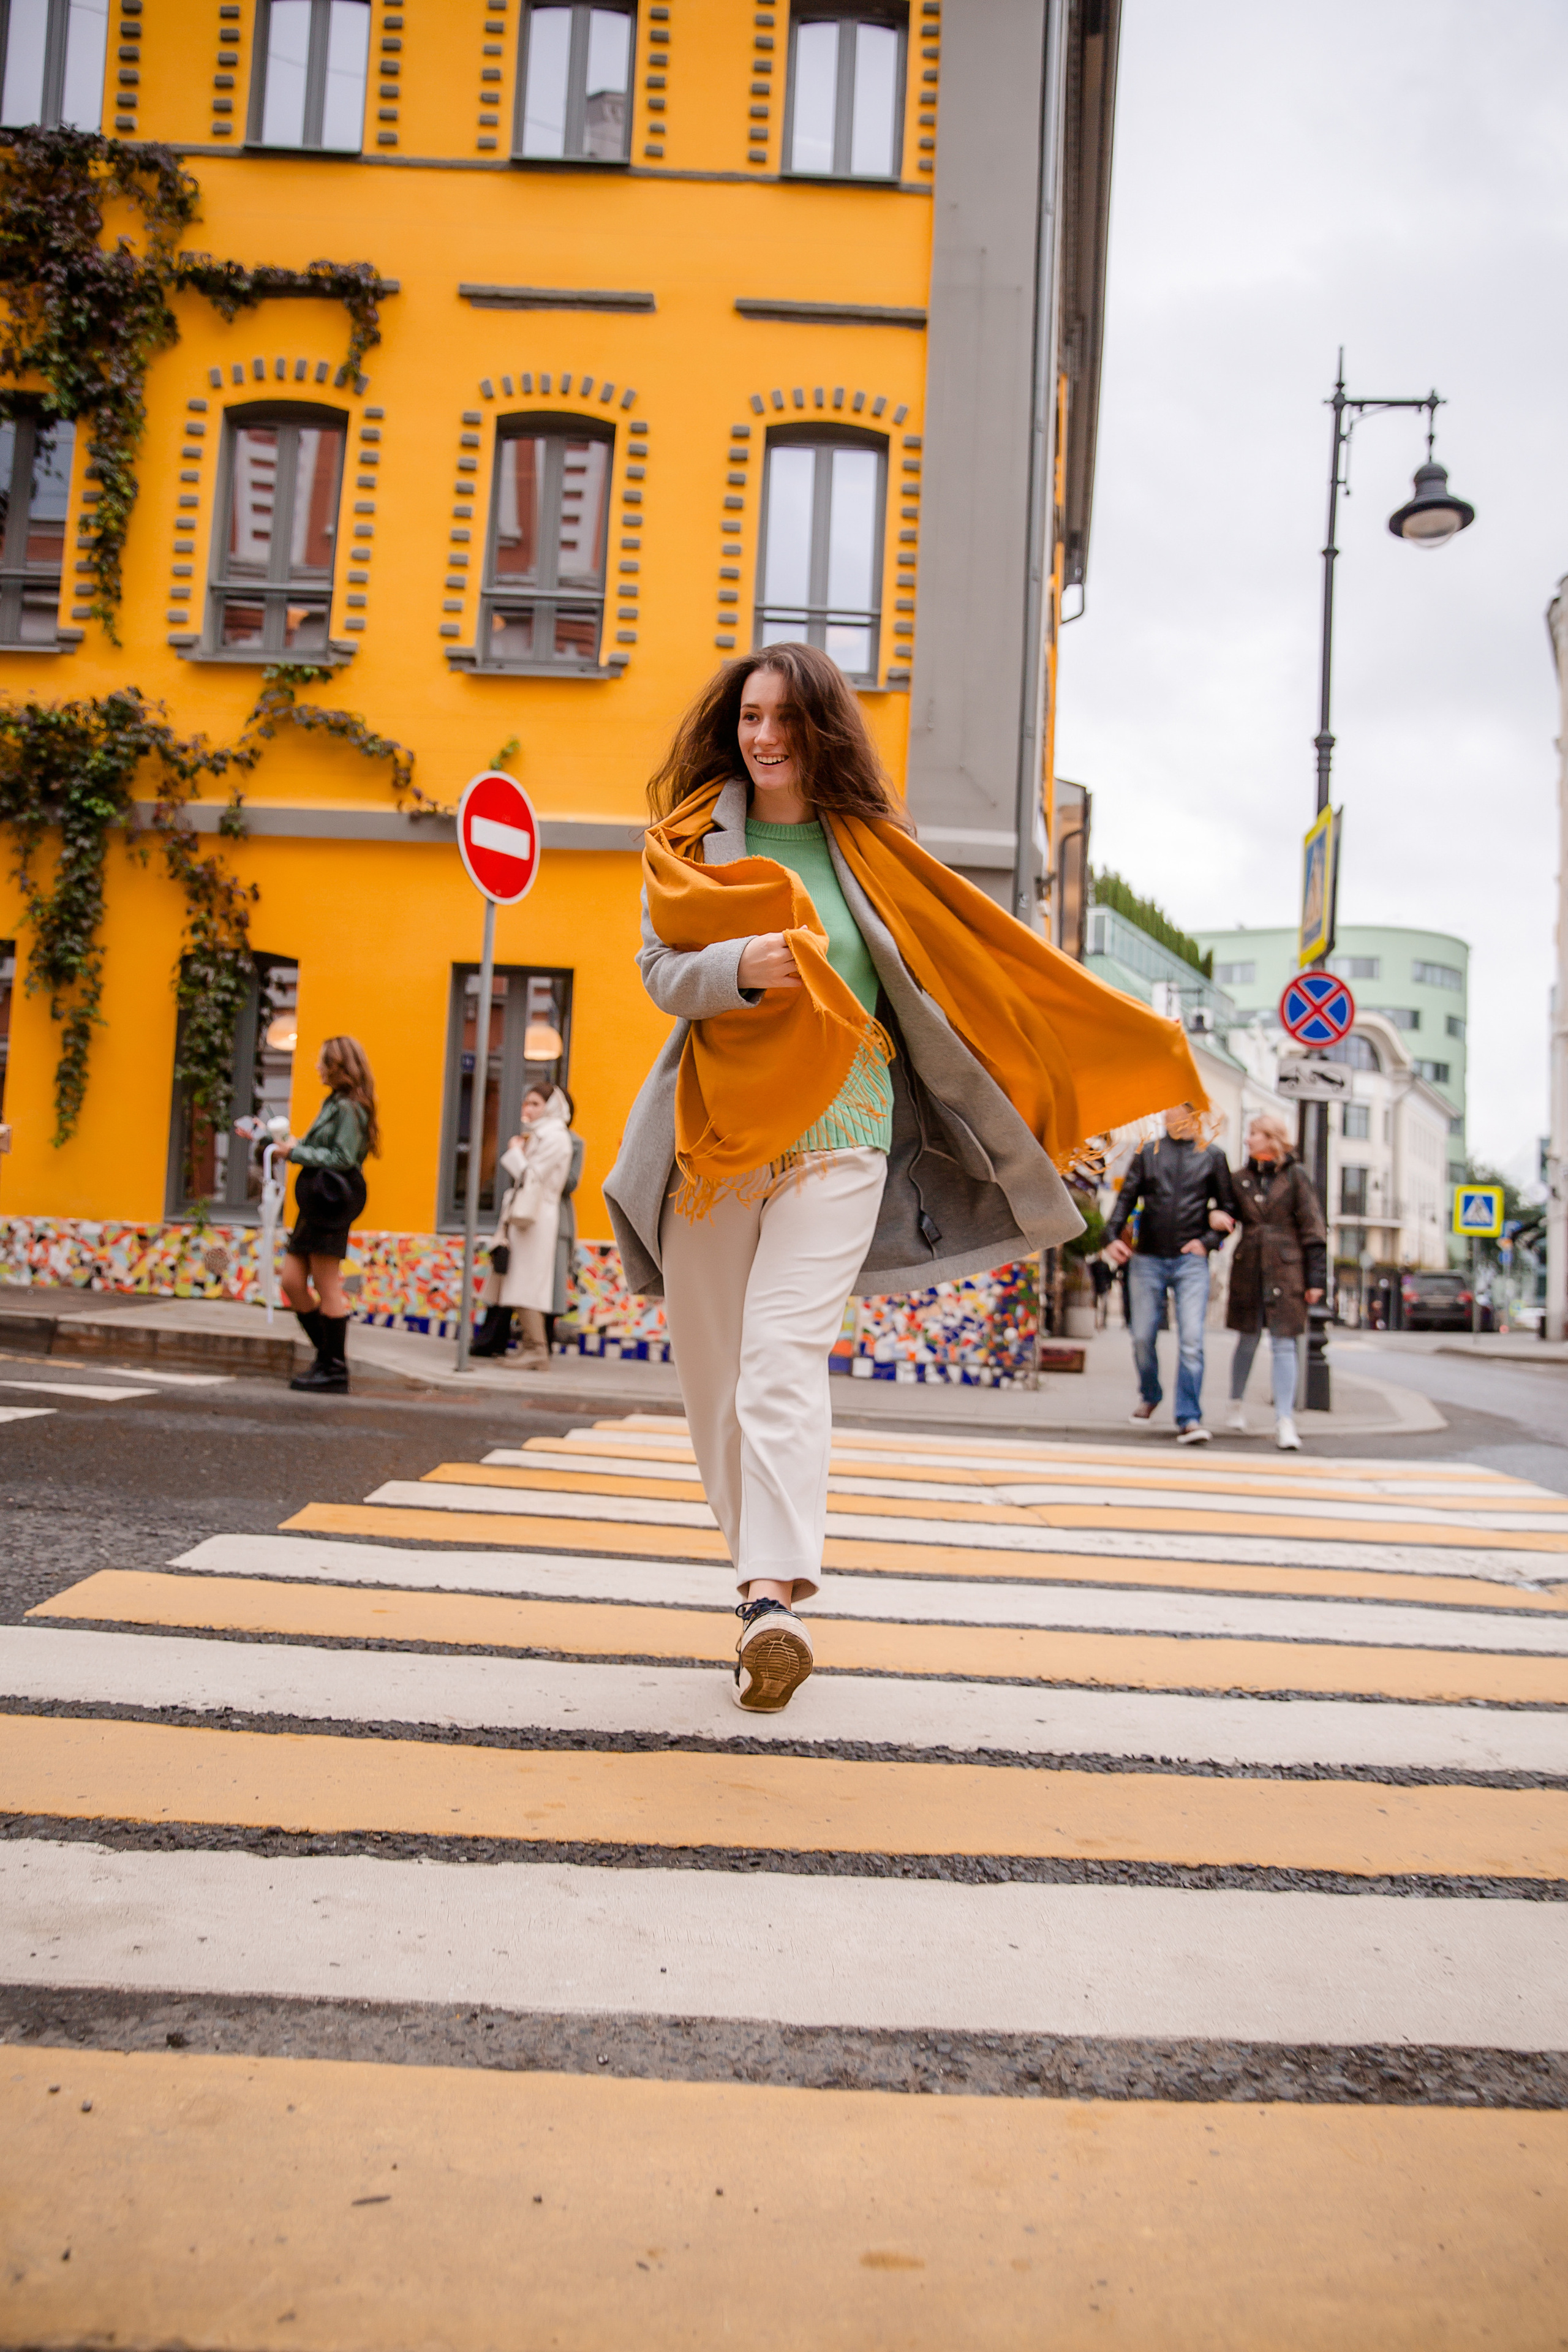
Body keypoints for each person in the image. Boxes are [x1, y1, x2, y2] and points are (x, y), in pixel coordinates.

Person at [605, 644, 1209, 1716]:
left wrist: (1080, 1064)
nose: (764, 736)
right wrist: (738, 972)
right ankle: (757, 1570)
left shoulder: (874, 850)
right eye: (750, 716)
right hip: (717, 1142)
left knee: (780, 1354)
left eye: (786, 718)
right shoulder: (696, 837)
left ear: (822, 728)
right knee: (715, 1382)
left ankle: (767, 1603)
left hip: (844, 1129)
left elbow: (981, 969)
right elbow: (659, 973)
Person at [1103, 1107, 1238, 1443]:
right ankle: (1151, 1394)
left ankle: (1189, 1417)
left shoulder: (1213, 1157)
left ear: (1194, 1116)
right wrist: (1110, 1238)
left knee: (1192, 1340)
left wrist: (1206, 1242)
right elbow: (1126, 1199)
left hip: (1190, 1261)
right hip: (1147, 1257)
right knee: (1142, 1337)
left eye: (1175, 1112)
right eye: (1166, 1114)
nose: (1166, 1119)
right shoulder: (1148, 1153)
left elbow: (1229, 1211)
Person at [268, 1035, 378, 1395]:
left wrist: (296, 1154)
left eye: (322, 1062)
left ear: (338, 1067)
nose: (316, 1067)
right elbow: (328, 1150)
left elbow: (344, 1159)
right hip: (316, 1205)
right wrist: (301, 1147)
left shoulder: (349, 1108)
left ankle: (334, 1368)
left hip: (331, 1204)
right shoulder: (336, 1102)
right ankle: (326, 1358)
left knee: (327, 1285)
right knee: (291, 1282)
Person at [1224, 1109, 1327, 1450]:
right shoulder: (1239, 1178)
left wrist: (1316, 1280)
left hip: (1287, 1268)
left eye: (1253, 1134)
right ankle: (1235, 1404)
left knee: (1284, 1343)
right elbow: (1226, 1212)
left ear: (1271, 1139)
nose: (1247, 1139)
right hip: (1249, 1265)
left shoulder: (1296, 1177)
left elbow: (1313, 1228)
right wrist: (1215, 1215)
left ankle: (1285, 1419)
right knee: (1248, 1339)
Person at [470, 1084, 573, 1368]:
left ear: (550, 1107)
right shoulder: (544, 1135)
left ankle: (537, 1350)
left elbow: (533, 1178)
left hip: (536, 1217)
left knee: (527, 1282)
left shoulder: (555, 1137)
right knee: (518, 1281)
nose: (528, 1109)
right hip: (529, 1216)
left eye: (535, 1104)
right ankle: (532, 1347)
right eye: (526, 1103)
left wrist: (516, 1153)